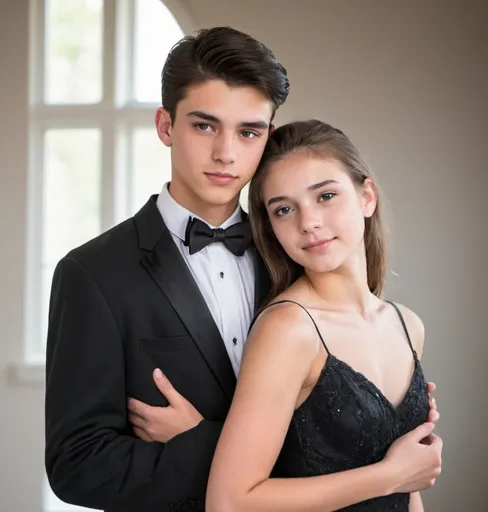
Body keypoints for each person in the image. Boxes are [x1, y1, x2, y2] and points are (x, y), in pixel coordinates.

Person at [45, 26, 439, 512]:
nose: (226, 153)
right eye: (204, 126)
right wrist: (209, 446)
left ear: (267, 135)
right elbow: (76, 465)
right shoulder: (93, 274)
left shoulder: (300, 253)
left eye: (248, 131)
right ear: (166, 126)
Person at [206, 119, 443, 511]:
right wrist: (389, 476)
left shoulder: (407, 325)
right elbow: (229, 501)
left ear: (367, 196)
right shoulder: (288, 329)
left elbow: (410, 488)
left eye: (326, 196)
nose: (308, 222)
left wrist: (404, 477)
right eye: (284, 209)